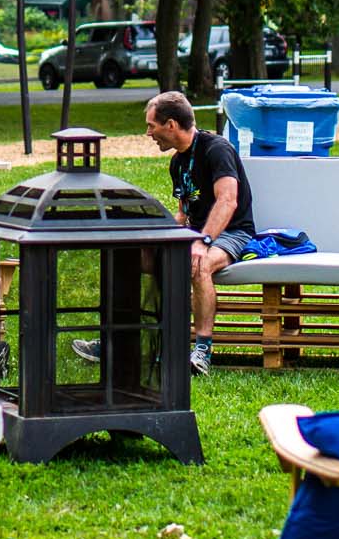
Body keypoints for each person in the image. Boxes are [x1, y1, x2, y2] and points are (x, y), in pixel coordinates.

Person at [77, 90, 254, 376]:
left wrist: (203, 241)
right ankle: (117, 341)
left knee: (198, 264)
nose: (148, 133)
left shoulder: (216, 149)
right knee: (128, 258)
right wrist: (155, 235)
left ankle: (202, 351)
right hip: (195, 233)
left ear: (170, 125)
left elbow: (228, 201)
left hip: (231, 232)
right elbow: (184, 214)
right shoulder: (177, 162)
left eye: (151, 126)